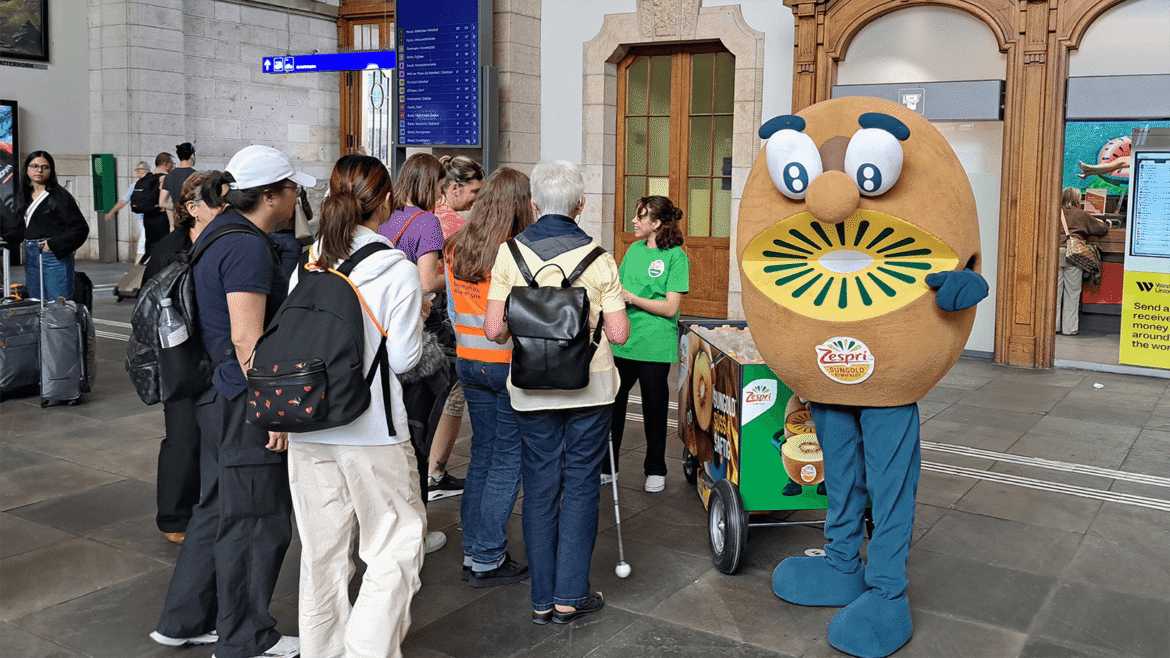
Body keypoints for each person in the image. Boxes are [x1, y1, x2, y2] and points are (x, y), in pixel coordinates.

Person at [150, 145, 311, 658]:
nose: (297, 198)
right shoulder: (246, 247)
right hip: (242, 400)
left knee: (217, 508)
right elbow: (247, 338)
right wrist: (273, 408)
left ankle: (184, 620)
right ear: (270, 195)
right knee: (256, 519)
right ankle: (246, 637)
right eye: (293, 189)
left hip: (218, 396)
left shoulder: (220, 232)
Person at [288, 154, 426, 658]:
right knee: (394, 547)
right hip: (371, 429)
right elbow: (405, 359)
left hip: (307, 424)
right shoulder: (396, 269)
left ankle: (321, 651)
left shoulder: (309, 262)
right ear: (385, 201)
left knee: (321, 555)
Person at [483, 160, 629, 625]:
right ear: (580, 206)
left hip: (531, 390)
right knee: (582, 484)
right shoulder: (600, 258)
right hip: (591, 388)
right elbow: (619, 334)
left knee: (540, 485)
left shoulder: (509, 254)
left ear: (533, 204)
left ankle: (542, 600)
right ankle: (570, 597)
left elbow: (494, 331)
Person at [444, 167, 531, 587]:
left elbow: (451, 308)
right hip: (506, 363)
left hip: (468, 361)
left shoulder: (455, 246)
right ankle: (488, 556)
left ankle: (473, 548)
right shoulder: (515, 252)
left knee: (482, 453)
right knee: (507, 460)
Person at [142, 171, 224, 545]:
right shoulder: (170, 248)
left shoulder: (224, 239)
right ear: (192, 208)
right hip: (179, 354)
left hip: (215, 350)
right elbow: (149, 306)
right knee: (183, 436)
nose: (226, 207)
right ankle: (175, 517)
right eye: (218, 201)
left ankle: (211, 508)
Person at [378, 152, 451, 554]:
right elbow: (426, 282)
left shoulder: (385, 218)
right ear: (429, 185)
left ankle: (388, 521)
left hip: (381, 333)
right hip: (417, 333)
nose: (442, 196)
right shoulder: (426, 222)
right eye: (440, 187)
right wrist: (453, 272)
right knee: (417, 432)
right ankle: (415, 532)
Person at [602, 196, 689, 493]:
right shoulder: (633, 250)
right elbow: (617, 290)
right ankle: (608, 466)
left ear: (657, 223)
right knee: (613, 404)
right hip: (624, 340)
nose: (634, 221)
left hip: (655, 343)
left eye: (640, 217)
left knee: (655, 407)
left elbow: (670, 308)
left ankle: (655, 469)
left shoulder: (676, 257)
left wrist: (633, 299)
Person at [428, 155, 485, 501]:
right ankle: (435, 472)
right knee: (453, 397)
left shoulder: (419, 216)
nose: (476, 199)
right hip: (445, 318)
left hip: (419, 318)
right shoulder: (452, 226)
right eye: (473, 191)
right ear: (453, 188)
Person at [6, 151, 89, 301]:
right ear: (27, 169)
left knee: (56, 306)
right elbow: (22, 227)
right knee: (36, 303)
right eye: (35, 166)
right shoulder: (25, 195)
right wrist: (6, 238)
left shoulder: (60, 195)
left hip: (53, 257)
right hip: (31, 255)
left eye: (45, 167)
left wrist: (53, 244)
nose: (39, 170)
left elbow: (80, 228)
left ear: (51, 171)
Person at [1057, 186, 1108, 336]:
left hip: (1055, 254)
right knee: (1072, 293)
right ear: (1077, 199)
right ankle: (1070, 329)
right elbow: (1102, 229)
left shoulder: (1054, 211)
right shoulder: (1081, 214)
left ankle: (1053, 327)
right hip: (1074, 255)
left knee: (1054, 293)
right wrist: (1099, 220)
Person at [105, 161, 149, 262]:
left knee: (145, 241)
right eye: (137, 169)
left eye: (141, 169)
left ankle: (140, 265)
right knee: (143, 241)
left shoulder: (149, 183)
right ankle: (138, 265)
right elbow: (123, 200)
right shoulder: (134, 185)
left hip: (149, 218)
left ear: (147, 171)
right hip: (142, 218)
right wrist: (112, 211)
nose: (139, 171)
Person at [139, 152, 174, 259]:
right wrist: (172, 224)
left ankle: (147, 267)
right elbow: (166, 201)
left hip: (147, 218)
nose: (172, 166)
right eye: (172, 164)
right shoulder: (165, 178)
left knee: (150, 248)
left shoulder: (147, 178)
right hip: (161, 218)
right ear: (166, 164)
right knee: (164, 248)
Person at [161, 142, 197, 226]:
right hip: (194, 221)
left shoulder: (169, 176)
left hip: (178, 220)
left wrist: (178, 207)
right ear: (192, 156)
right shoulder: (197, 176)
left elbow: (162, 202)